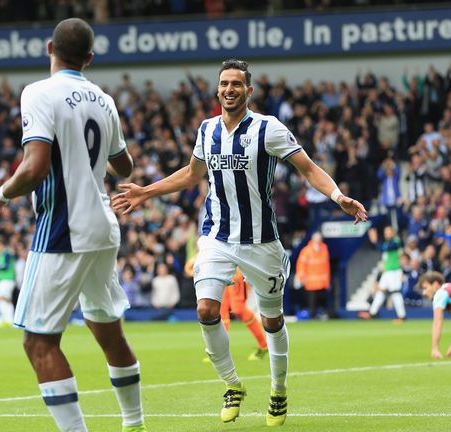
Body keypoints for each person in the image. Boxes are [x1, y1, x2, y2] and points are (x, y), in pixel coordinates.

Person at [112, 58, 367, 427]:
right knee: (205, 310)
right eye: (224, 84)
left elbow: (308, 168)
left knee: (272, 319)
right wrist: (146, 192)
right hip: (217, 235)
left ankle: (278, 389)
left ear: (249, 91)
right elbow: (192, 173)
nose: (229, 89)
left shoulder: (269, 129)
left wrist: (338, 196)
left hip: (262, 241)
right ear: (217, 90)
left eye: (236, 84)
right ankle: (232, 384)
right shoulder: (206, 129)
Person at [0, 18, 146, 432]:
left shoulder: (38, 92)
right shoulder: (104, 99)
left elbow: (34, 168)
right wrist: (85, 163)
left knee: (38, 341)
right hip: (104, 229)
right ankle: (134, 423)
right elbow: (124, 166)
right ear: (89, 59)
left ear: (49, 47)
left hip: (63, 231)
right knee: (108, 332)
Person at [220, 268, 268, 361]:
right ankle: (218, 351)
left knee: (238, 309)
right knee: (221, 308)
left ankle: (263, 345)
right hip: (223, 269)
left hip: (237, 269)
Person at [359, 226, 406, 322]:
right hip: (387, 271)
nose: (387, 234)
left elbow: (386, 248)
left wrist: (375, 241)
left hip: (394, 271)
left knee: (395, 292)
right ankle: (372, 313)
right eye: (386, 232)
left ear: (393, 233)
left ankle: (402, 316)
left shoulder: (396, 241)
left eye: (389, 232)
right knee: (380, 291)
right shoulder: (387, 243)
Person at [295, 232, 332, 320]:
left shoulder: (324, 249)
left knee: (322, 302)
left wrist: (327, 281)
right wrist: (301, 278)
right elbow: (301, 265)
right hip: (311, 282)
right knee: (312, 303)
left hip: (322, 282)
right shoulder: (306, 250)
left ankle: (320, 316)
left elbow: (326, 266)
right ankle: (312, 317)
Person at [0, 236, 17, 327]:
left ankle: (9, 319)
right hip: (4, 280)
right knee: (5, 299)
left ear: (0, 244)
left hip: (7, 279)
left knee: (0, 298)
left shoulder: (7, 253)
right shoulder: (1, 254)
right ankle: (7, 319)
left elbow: (5, 266)